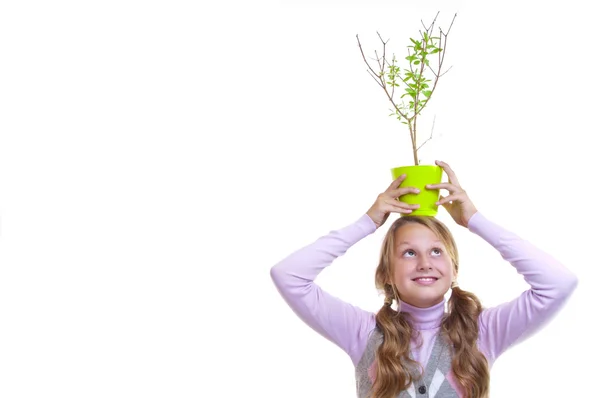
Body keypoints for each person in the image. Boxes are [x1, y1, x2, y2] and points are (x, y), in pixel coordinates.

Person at [269, 160, 578, 398]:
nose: (424, 264)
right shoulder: (362, 332)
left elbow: (557, 284)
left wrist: (474, 221)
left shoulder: (483, 332)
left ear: (454, 269)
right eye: (408, 253)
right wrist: (368, 222)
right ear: (387, 274)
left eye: (435, 252)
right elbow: (289, 275)